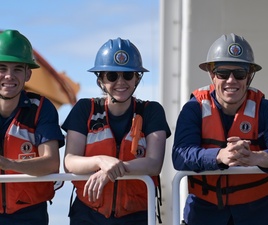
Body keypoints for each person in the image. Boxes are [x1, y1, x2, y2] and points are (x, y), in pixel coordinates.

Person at [172, 33, 268, 225]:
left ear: (249, 77)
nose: (231, 80)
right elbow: (180, 155)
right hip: (202, 215)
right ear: (211, 75)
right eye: (223, 73)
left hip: (255, 216)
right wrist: (219, 156)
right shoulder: (194, 109)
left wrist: (256, 158)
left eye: (239, 73)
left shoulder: (266, 109)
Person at [62, 37, 171, 225]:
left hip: (136, 215)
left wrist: (111, 170)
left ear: (137, 78)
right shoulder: (84, 109)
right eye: (112, 76)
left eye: (128, 75)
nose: (121, 82)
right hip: (87, 214)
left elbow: (154, 164)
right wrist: (101, 161)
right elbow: (70, 161)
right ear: (101, 81)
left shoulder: (152, 111)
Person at [0, 29, 64, 225]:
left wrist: (9, 164)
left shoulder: (42, 108)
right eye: (2, 68)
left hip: (29, 215)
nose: (9, 76)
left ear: (28, 74)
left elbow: (51, 163)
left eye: (17, 69)